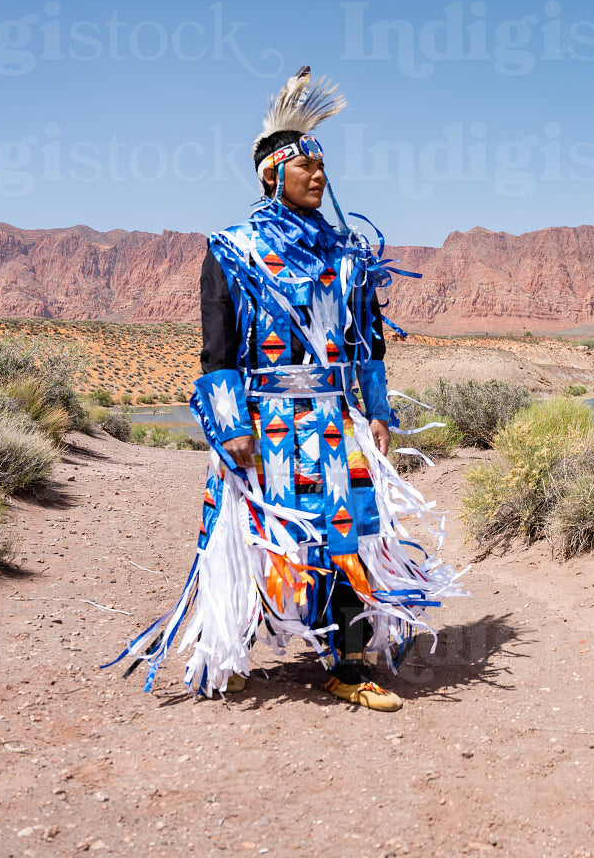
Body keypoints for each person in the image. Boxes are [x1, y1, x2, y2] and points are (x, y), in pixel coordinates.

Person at [105, 68, 463, 711]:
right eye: (306, 165)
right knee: (247, 535)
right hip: (263, 421)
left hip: (333, 420)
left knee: (349, 537)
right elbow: (216, 351)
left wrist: (376, 411)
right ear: (273, 173)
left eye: (324, 165)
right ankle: (230, 655)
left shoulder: (348, 256)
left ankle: (350, 667)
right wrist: (229, 425)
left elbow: (368, 345)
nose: (319, 175)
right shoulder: (233, 250)